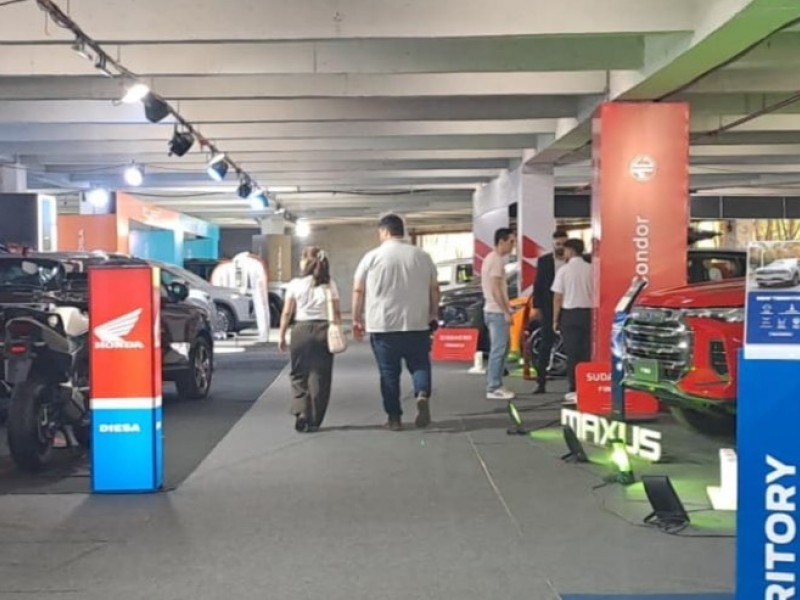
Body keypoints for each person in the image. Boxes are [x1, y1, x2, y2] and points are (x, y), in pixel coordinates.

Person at [352, 214, 439, 431]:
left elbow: (358, 289)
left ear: (384, 231)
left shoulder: (371, 257)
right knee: (420, 365)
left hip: (383, 326)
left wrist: (356, 318)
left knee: (389, 374)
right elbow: (434, 289)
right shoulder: (423, 256)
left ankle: (394, 419)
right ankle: (421, 393)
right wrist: (433, 314)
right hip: (417, 323)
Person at [278, 246, 342, 433]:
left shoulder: (295, 284)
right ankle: (314, 419)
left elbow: (287, 312)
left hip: (301, 330)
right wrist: (337, 329)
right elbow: (337, 312)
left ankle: (301, 411)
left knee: (298, 373)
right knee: (321, 376)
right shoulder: (330, 284)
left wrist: (282, 335)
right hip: (324, 330)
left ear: (306, 261)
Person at [552, 238, 593, 406]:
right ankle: (587, 386)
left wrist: (555, 319)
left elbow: (557, 296)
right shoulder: (591, 269)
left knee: (572, 354)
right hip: (588, 314)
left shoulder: (564, 270)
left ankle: (574, 388)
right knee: (586, 352)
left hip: (570, 315)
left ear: (570, 251)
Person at [531, 229, 568, 394]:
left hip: (569, 307)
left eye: (564, 244)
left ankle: (575, 385)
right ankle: (541, 382)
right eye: (558, 244)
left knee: (572, 345)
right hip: (548, 308)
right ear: (553, 244)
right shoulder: (544, 261)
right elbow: (538, 284)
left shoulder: (574, 261)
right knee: (545, 344)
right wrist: (536, 307)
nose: (560, 247)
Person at [482, 228, 517, 400]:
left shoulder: (491, 258)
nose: (513, 245)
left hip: (493, 310)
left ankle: (496, 383)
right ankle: (493, 386)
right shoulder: (495, 260)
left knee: (502, 349)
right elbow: (496, 289)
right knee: (499, 349)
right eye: (511, 241)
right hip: (496, 311)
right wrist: (506, 311)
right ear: (501, 241)